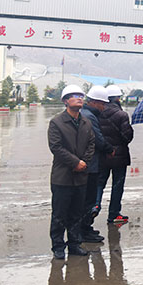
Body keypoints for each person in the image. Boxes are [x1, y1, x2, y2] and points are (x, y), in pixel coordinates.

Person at [48, 85, 95, 259]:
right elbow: (56, 147)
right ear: (66, 101)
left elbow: (91, 144)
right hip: (62, 177)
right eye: (74, 96)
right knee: (60, 214)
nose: (79, 98)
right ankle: (58, 246)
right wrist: (75, 162)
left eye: (81, 96)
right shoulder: (57, 122)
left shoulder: (86, 122)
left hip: (81, 176)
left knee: (77, 213)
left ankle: (74, 244)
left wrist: (84, 163)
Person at [79, 86, 114, 239]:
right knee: (88, 199)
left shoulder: (85, 113)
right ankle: (84, 230)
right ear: (94, 102)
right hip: (91, 164)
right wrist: (109, 148)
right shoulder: (90, 117)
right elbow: (97, 139)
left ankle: (84, 229)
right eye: (102, 104)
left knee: (86, 198)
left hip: (88, 162)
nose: (103, 107)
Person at [97, 85, 134, 225]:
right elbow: (127, 137)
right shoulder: (121, 115)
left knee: (99, 184)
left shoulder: (97, 113)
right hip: (119, 157)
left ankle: (94, 207)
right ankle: (113, 214)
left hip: (102, 155)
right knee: (117, 186)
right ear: (118, 98)